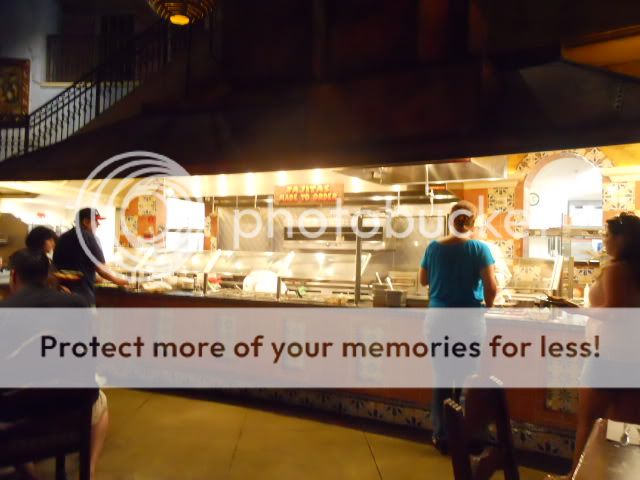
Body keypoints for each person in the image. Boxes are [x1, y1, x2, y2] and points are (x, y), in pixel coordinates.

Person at [0, 249, 109, 480]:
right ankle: (88, 472)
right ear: (49, 275)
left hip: (15, 417)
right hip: (71, 408)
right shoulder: (76, 303)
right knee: (101, 402)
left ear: (14, 275)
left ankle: (30, 474)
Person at [547, 212, 640, 479]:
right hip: (633, 357)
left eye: (608, 235)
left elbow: (614, 312)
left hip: (607, 356)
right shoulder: (635, 269)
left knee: (588, 423)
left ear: (623, 239)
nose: (604, 239)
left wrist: (576, 309)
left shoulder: (616, 270)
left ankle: (576, 475)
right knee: (624, 428)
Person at [419, 200, 498, 453]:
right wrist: (487, 306)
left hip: (438, 320)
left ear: (450, 220)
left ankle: (442, 436)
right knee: (467, 379)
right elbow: (491, 286)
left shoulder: (433, 247)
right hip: (467, 321)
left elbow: (423, 280)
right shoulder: (479, 248)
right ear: (473, 222)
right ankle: (469, 436)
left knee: (442, 378)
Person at [53, 208, 127, 306]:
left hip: (62, 293)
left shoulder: (63, 237)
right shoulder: (88, 237)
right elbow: (100, 268)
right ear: (86, 222)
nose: (98, 224)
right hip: (82, 294)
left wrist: (92, 276)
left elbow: (61, 266)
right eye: (96, 221)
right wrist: (117, 280)